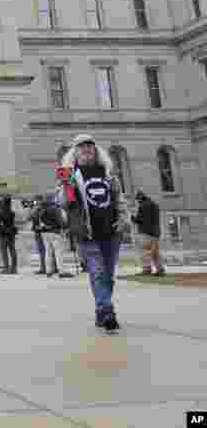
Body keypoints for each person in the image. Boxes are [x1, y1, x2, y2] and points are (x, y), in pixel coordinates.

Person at [57, 134, 127, 333]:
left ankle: (100, 310)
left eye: (90, 146)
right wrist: (66, 185)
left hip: (111, 230)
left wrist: (123, 218)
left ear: (95, 151)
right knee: (97, 272)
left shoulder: (108, 174)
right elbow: (63, 202)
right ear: (75, 153)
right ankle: (107, 311)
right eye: (81, 147)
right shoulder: (71, 174)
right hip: (87, 232)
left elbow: (119, 198)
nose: (86, 149)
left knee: (108, 276)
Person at [34, 193, 72, 278]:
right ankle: (61, 271)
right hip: (55, 232)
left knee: (48, 252)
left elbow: (35, 219)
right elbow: (61, 221)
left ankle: (48, 271)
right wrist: (65, 227)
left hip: (44, 232)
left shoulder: (40, 209)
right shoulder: (55, 209)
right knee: (58, 252)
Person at [132, 190, 166, 276]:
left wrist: (132, 218)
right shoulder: (155, 205)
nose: (138, 202)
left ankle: (147, 269)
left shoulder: (142, 206)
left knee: (144, 251)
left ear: (139, 199)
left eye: (137, 200)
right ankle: (160, 269)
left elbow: (140, 220)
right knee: (155, 252)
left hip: (145, 232)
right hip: (156, 233)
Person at [0, 196, 18, 274]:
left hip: (3, 234)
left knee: (4, 252)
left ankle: (6, 268)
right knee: (12, 250)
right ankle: (14, 268)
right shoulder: (11, 212)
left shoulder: (0, 212)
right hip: (11, 233)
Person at [28, 196, 47, 275]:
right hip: (46, 231)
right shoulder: (46, 207)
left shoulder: (37, 209)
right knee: (47, 251)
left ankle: (43, 268)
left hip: (39, 231)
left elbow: (28, 217)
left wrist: (31, 208)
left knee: (42, 251)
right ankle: (51, 267)